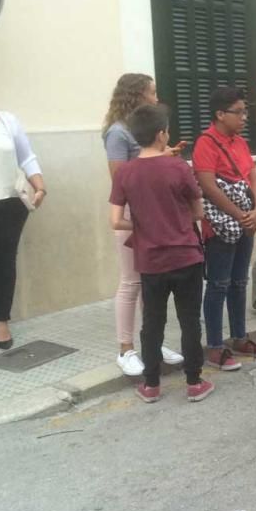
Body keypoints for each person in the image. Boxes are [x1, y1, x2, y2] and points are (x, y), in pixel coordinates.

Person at [108, 104, 213, 403]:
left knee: (152, 323)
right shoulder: (179, 167)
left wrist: (141, 224)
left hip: (150, 260)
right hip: (186, 257)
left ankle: (151, 384)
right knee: (190, 320)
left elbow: (116, 220)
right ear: (161, 134)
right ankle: (194, 382)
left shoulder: (125, 173)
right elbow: (198, 211)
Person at [103, 73, 184, 375]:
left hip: (151, 214)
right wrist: (158, 158)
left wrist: (163, 154)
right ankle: (125, 350)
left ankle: (152, 341)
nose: (156, 96)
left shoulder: (140, 132)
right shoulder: (117, 133)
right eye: (152, 92)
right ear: (137, 95)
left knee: (151, 280)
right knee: (131, 281)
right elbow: (120, 177)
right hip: (130, 216)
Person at [193, 87, 256, 372]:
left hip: (245, 222)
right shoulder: (206, 143)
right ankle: (214, 345)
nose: (244, 117)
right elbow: (208, 186)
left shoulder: (240, 142)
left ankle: (239, 337)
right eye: (239, 112)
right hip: (221, 228)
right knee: (218, 284)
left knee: (239, 283)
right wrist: (239, 214)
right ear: (220, 114)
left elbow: (253, 176)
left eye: (245, 111)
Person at [0, 110, 46, 350]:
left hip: (9, 202)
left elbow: (26, 157)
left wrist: (40, 187)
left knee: (4, 262)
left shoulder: (6, 121)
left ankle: (0, 321)